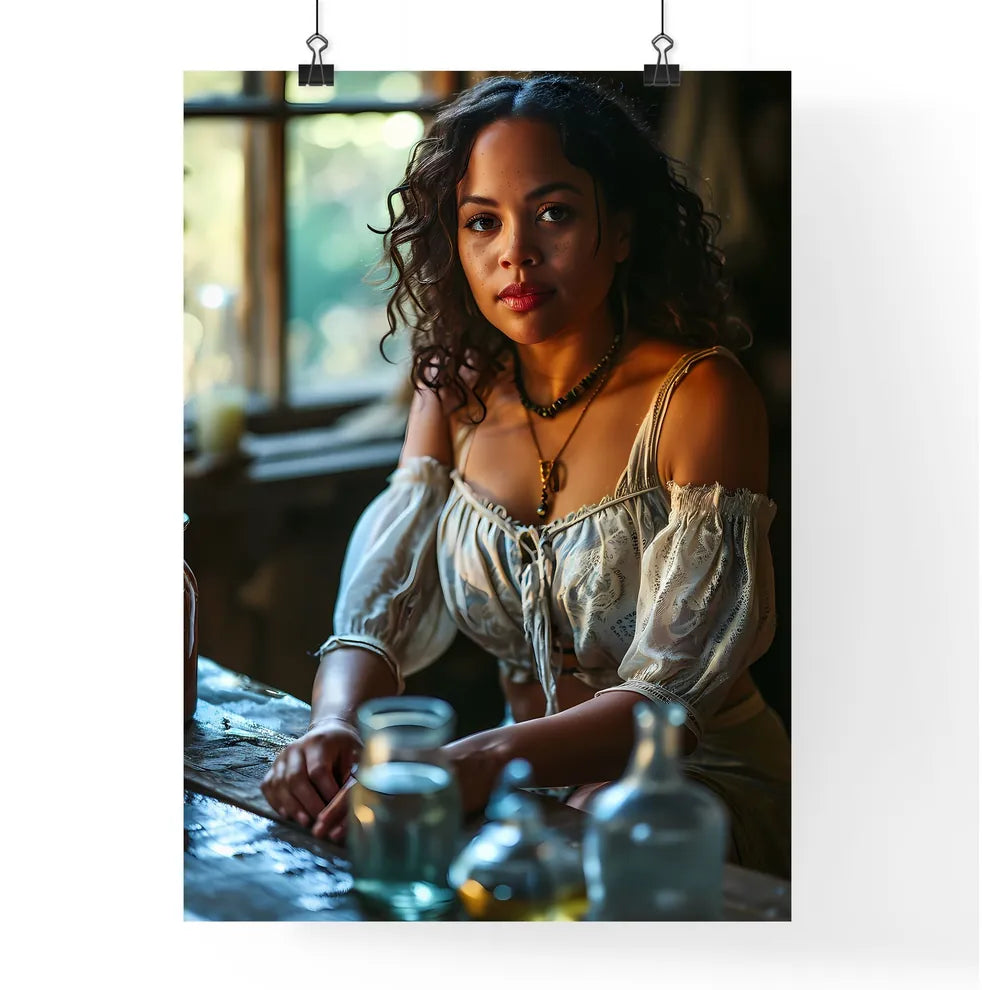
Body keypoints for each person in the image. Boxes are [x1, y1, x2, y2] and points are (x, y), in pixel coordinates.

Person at [260, 73, 790, 879]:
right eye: (483, 221)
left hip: (693, 785)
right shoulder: (455, 388)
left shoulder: (701, 395)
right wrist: (333, 723)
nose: (516, 252)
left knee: (559, 857)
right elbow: (379, 607)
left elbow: (670, 706)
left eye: (555, 213)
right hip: (525, 792)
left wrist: (472, 761)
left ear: (622, 230)